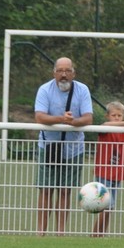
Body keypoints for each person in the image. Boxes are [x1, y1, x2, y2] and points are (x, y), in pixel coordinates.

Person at [35, 57, 93, 235]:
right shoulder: (45, 89)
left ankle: (61, 233)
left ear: (73, 73)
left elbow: (88, 118)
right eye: (60, 70)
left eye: (67, 71)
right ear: (54, 73)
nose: (64, 75)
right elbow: (40, 117)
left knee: (65, 191)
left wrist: (73, 122)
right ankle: (40, 233)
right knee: (45, 190)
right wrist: (62, 119)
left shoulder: (82, 90)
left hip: (73, 148)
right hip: (48, 146)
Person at [91, 100, 124, 237]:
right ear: (108, 116)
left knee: (110, 208)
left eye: (120, 115)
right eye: (114, 115)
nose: (117, 118)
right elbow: (104, 126)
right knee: (106, 205)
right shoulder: (106, 129)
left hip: (117, 174)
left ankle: (101, 234)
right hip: (104, 173)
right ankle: (95, 235)